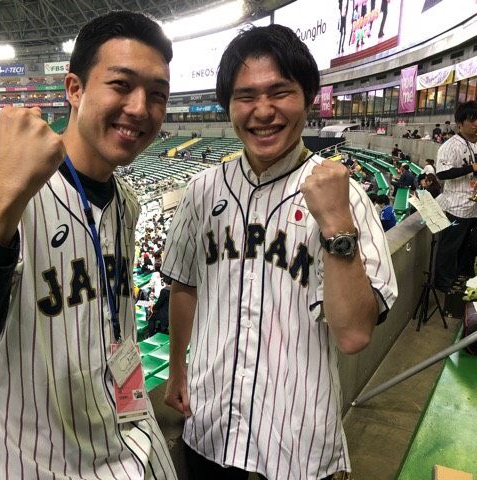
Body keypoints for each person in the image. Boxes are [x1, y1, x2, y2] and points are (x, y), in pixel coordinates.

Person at [0, 11, 176, 479]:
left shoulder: (126, 202)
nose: (139, 107)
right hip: (30, 465)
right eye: (121, 85)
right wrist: (2, 197)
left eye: (157, 95)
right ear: (74, 89)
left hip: (129, 447)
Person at [162, 24, 397, 480]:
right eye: (246, 96)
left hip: (298, 441)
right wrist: (176, 370)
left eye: (280, 92)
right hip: (209, 426)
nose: (263, 111)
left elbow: (354, 336)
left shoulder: (347, 198)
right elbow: (184, 285)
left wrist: (336, 224)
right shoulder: (201, 190)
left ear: (308, 98)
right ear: (229, 106)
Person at [434, 101, 477, 293]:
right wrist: (471, 168)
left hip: (474, 206)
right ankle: (443, 283)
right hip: (456, 206)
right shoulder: (450, 146)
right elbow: (442, 173)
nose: (476, 124)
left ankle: (463, 278)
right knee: (450, 247)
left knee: (469, 247)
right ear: (460, 123)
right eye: (472, 120)